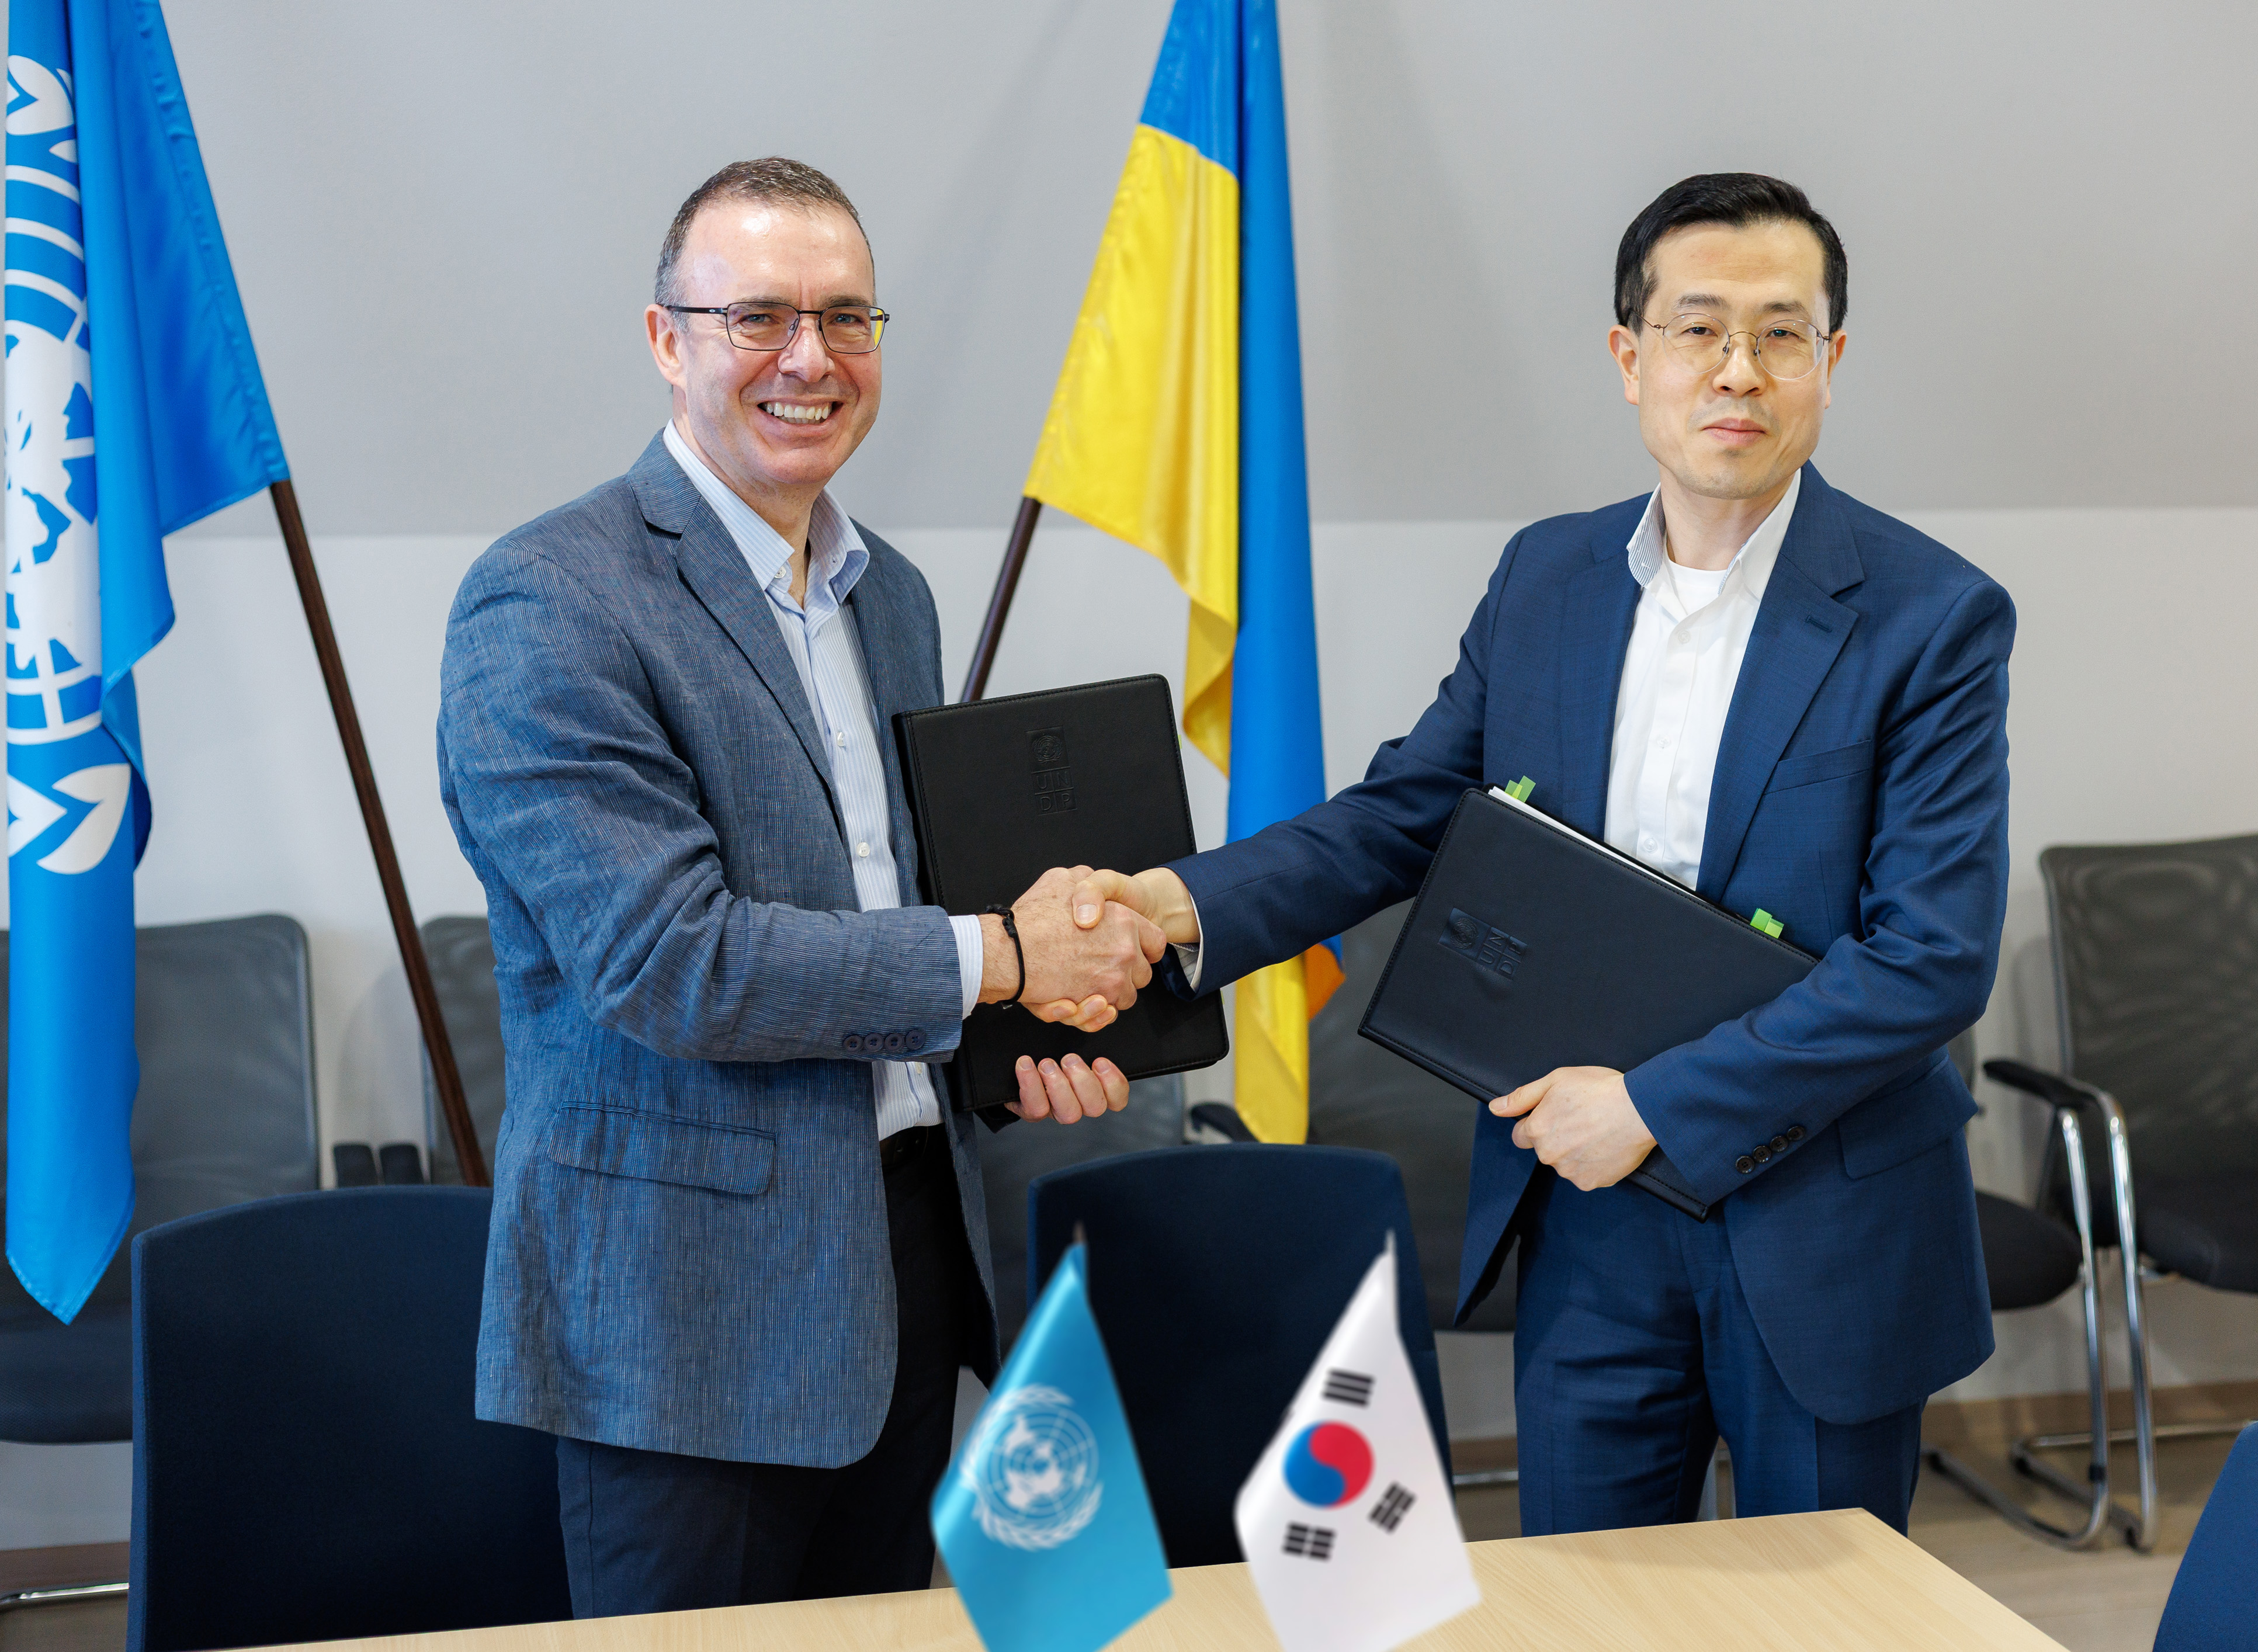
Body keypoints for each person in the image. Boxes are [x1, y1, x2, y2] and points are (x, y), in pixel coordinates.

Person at [1054, 173, 2008, 1535]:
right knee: (1583, 1602)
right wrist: (1174, 903)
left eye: (1782, 333)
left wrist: (1659, 1105)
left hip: (1819, 1216)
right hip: (1584, 1210)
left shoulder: (1933, 616)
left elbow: (1930, 959)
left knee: (1821, 1619)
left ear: (1831, 360)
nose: (1738, 369)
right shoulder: (1545, 579)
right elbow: (1405, 814)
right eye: (1697, 328)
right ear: (1630, 356)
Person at [436, 157, 1162, 1615]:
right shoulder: (550, 599)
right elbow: (674, 962)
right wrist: (1011, 961)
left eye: (845, 317)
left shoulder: (893, 596)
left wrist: (1026, 1045)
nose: (809, 359)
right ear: (668, 340)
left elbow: (900, 909)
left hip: (905, 1255)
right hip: (687, 1309)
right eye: (758, 316)